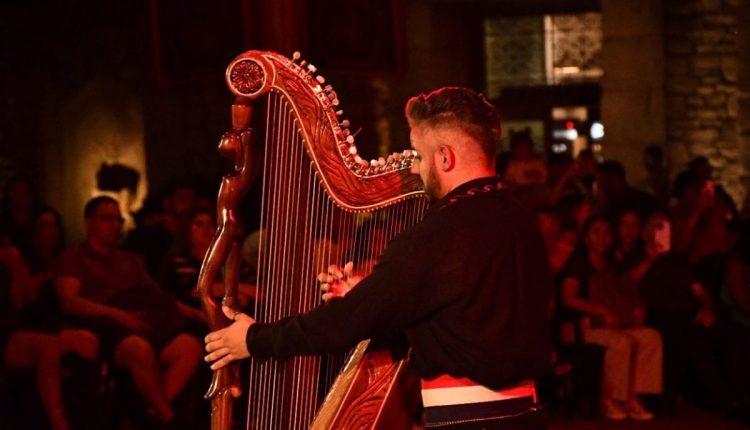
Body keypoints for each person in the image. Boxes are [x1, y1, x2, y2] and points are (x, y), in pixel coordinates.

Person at [204, 87, 552, 429]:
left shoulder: (437, 233)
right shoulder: (521, 219)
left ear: (445, 157)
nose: (415, 169)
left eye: (419, 155)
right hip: (528, 417)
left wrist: (254, 340)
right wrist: (375, 292)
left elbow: (342, 324)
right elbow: (470, 316)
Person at [54, 196, 203, 426]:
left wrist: (196, 313)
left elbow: (158, 297)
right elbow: (69, 301)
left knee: (190, 346)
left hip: (147, 324)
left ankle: (150, 413)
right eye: (107, 219)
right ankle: (168, 417)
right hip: (105, 328)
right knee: (139, 349)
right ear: (88, 222)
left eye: (118, 220)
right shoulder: (74, 257)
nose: (115, 225)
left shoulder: (131, 260)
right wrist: (119, 315)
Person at [560, 215, 662, 421]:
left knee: (651, 337)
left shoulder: (613, 261)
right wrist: (599, 310)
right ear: (586, 237)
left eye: (606, 232)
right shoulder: (579, 263)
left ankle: (634, 398)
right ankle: (610, 399)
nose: (602, 237)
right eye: (596, 232)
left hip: (617, 321)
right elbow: (568, 298)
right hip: (588, 326)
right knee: (622, 343)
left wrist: (639, 306)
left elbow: (628, 284)